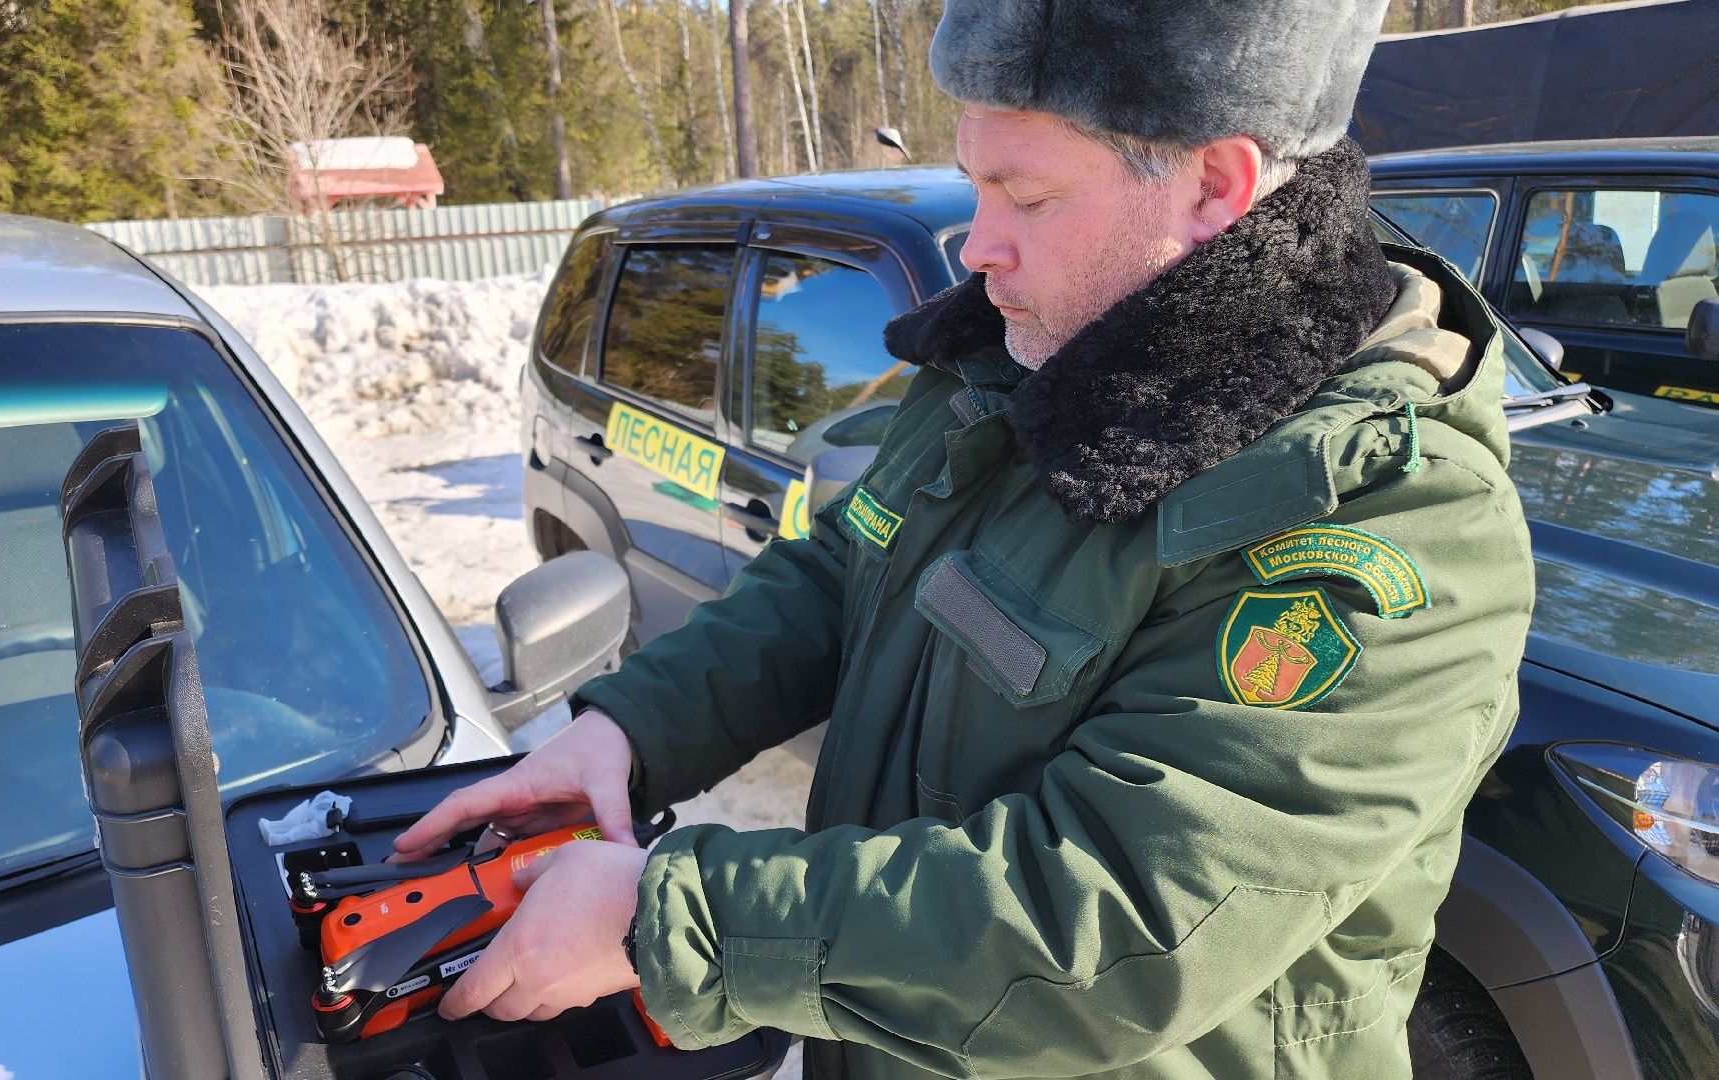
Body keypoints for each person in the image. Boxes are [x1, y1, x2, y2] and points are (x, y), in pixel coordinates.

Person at [393, 1, 1537, 1075]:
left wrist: (673, 924)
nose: (978, 248)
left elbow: (1117, 923)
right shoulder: (1015, 366)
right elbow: (846, 569)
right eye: (972, 190)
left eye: (1025, 199)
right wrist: (633, 735)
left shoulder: (1384, 518)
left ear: (1214, 185)